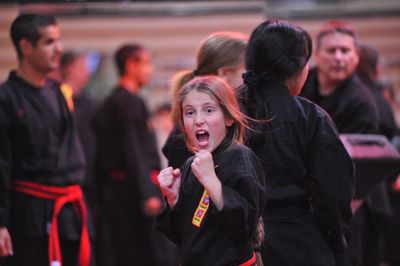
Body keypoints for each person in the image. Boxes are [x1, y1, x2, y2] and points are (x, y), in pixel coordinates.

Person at [239, 19, 355, 266]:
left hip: (233, 241)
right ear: (299, 67)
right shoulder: (310, 117)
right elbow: (334, 192)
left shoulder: (226, 109)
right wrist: (337, 240)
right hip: (297, 242)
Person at [0, 14, 91, 266]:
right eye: (49, 42)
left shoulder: (58, 92)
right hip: (28, 216)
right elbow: (2, 165)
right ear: (26, 47)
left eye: (58, 40)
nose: (58, 49)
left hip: (69, 212)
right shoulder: (6, 98)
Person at [155, 75, 266, 265]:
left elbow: (244, 229)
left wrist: (212, 182)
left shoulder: (240, 157)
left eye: (208, 110)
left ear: (229, 117)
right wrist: (174, 199)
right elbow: (182, 236)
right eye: (189, 113)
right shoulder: (191, 165)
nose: (198, 120)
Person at [92, 44, 173, 266]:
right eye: (146, 63)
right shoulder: (126, 102)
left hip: (124, 191)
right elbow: (133, 149)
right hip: (130, 193)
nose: (150, 70)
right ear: (130, 65)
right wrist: (147, 193)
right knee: (138, 253)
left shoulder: (119, 101)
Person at [162, 31, 248, 169]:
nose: (251, 77)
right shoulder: (183, 138)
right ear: (224, 73)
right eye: (247, 69)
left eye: (208, 110)